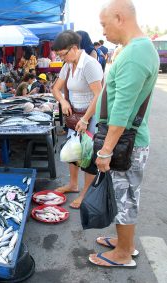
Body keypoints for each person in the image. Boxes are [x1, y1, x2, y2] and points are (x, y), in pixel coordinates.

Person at [89, 0, 159, 268]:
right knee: (123, 194)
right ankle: (123, 242)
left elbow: (122, 110)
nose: (103, 32)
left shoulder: (136, 52)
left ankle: (124, 252)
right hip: (126, 140)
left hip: (126, 143)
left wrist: (106, 151)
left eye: (104, 25)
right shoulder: (134, 49)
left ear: (119, 18)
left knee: (126, 195)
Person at [51, 30, 103, 208]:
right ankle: (73, 184)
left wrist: (86, 119)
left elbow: (99, 95)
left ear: (74, 48)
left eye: (62, 54)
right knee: (73, 150)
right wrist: (64, 101)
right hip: (74, 115)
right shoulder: (68, 65)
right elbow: (55, 88)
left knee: (88, 156)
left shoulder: (90, 65)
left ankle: (85, 193)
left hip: (90, 116)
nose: (61, 58)